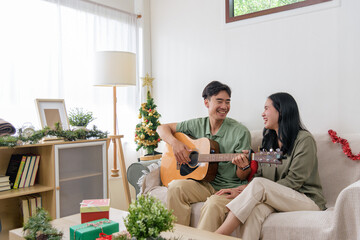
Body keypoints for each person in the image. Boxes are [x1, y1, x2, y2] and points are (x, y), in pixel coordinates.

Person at [215, 92, 327, 239]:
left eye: (266, 108)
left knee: (259, 184)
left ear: (281, 111)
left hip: (307, 199)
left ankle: (217, 235)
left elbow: (294, 181)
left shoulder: (304, 140)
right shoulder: (268, 142)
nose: (262, 114)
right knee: (253, 212)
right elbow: (259, 176)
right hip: (278, 198)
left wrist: (256, 189)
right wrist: (243, 191)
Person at [157, 81, 251, 231]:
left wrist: (243, 166)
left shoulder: (240, 132)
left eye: (228, 102)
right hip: (203, 183)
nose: (225, 106)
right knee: (175, 187)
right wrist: (175, 144)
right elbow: (161, 128)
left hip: (228, 187)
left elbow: (242, 175)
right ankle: (176, 235)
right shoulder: (197, 124)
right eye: (219, 101)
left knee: (213, 204)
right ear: (206, 102)